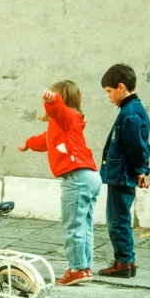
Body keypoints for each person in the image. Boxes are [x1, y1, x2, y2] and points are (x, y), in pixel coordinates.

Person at [18, 80, 101, 286]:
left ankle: (77, 268)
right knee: (84, 226)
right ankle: (84, 266)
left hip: (76, 177)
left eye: (55, 97)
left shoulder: (68, 117)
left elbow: (60, 112)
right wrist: (29, 144)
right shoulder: (63, 125)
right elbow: (45, 139)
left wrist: (53, 102)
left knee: (72, 226)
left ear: (63, 99)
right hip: (89, 176)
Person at [98, 63, 150, 278]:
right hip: (123, 173)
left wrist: (141, 169)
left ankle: (123, 262)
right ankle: (126, 261)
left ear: (121, 87)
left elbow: (136, 145)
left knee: (117, 218)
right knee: (119, 217)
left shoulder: (130, 113)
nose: (108, 96)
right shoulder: (132, 110)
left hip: (122, 175)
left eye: (109, 92)